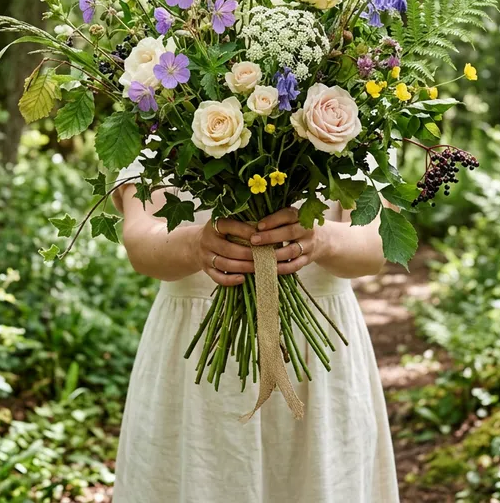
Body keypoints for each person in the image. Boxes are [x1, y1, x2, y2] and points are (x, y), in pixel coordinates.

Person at [111, 169, 400, 503]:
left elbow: (376, 244)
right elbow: (140, 240)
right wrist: (195, 245)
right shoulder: (150, 119)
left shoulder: (350, 119)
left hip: (319, 358)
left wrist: (322, 238)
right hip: (195, 361)